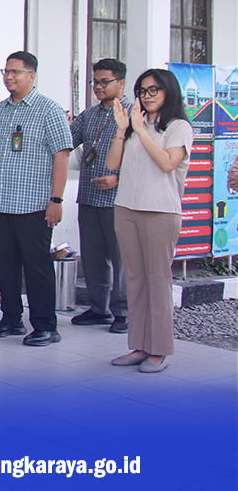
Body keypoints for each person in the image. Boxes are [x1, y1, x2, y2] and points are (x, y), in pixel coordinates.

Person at [0, 51, 73, 346]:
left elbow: (62, 156)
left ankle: (46, 325)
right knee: (5, 265)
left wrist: (56, 200)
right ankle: (11, 319)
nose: (9, 77)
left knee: (37, 267)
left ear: (31, 75)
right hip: (1, 202)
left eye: (16, 72)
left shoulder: (49, 110)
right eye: (6, 72)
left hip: (34, 205)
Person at [106, 68, 191, 373]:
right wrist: (122, 130)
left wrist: (141, 131)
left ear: (169, 91)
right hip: (127, 207)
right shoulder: (134, 125)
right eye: (142, 91)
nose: (147, 96)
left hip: (160, 210)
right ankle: (140, 346)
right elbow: (112, 164)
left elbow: (168, 163)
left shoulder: (178, 127)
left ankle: (160, 350)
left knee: (157, 281)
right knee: (135, 280)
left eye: (154, 90)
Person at [69, 58, 130, 334]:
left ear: (121, 83)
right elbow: (68, 142)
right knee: (93, 257)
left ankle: (124, 312)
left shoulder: (133, 114)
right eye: (95, 82)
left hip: (120, 199)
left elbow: (143, 157)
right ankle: (98, 308)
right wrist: (63, 125)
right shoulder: (89, 115)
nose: (98, 87)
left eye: (105, 82)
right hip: (89, 195)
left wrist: (119, 177)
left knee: (122, 258)